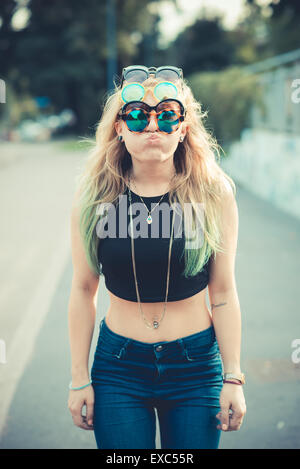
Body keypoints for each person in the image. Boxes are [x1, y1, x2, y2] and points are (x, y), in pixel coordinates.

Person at [67, 65, 247, 449]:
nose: (151, 126)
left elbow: (224, 293)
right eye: (136, 115)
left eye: (167, 116)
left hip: (196, 365)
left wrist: (233, 377)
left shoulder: (214, 195)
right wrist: (79, 377)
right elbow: (83, 290)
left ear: (183, 129)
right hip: (119, 366)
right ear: (119, 128)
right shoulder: (94, 198)